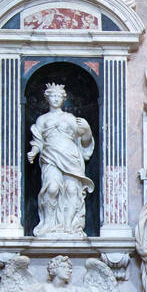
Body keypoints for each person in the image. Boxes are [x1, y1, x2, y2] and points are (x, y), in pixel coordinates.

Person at [28, 82, 94, 237]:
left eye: (59, 96)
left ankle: (70, 226)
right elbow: (38, 140)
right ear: (47, 98)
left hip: (71, 156)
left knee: (72, 190)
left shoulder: (70, 118)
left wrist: (88, 130)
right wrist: (33, 151)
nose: (56, 99)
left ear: (64, 99)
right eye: (53, 96)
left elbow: (84, 141)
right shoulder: (42, 119)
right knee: (52, 188)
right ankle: (48, 225)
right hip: (50, 156)